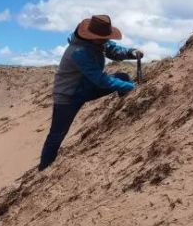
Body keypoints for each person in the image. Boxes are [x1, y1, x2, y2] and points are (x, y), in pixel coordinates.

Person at [38, 14, 143, 171]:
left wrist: (130, 52)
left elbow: (113, 49)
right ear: (91, 36)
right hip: (68, 96)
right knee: (56, 135)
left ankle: (129, 119)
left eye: (106, 38)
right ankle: (44, 169)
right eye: (102, 38)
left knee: (122, 77)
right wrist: (132, 87)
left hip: (86, 87)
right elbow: (101, 80)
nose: (105, 41)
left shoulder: (99, 42)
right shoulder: (78, 52)